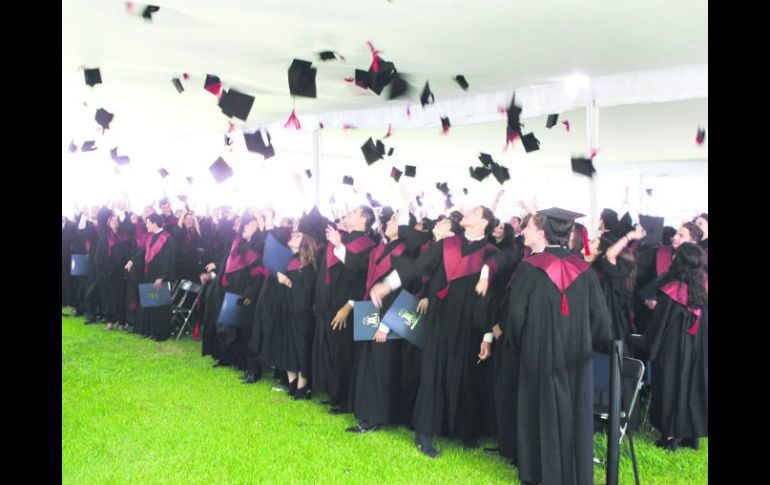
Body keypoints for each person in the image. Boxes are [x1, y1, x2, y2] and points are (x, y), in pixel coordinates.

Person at [369, 205, 500, 457]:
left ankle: (464, 430)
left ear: (484, 222)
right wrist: (387, 284)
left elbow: (491, 299)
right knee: (432, 374)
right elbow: (415, 267)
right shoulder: (447, 246)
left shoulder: (492, 254)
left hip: (470, 325)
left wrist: (486, 335)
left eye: (473, 213)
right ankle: (424, 434)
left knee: (466, 377)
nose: (466, 215)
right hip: (439, 321)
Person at [503, 208, 612, 485]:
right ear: (571, 233)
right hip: (577, 351)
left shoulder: (529, 267)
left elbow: (516, 313)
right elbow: (601, 319)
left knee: (537, 405)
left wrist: (515, 340)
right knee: (574, 408)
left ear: (545, 232)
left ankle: (536, 472)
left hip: (537, 348)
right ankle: (574, 473)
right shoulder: (585, 270)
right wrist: (592, 340)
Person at [347, 210, 419, 433]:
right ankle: (366, 412)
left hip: (390, 316)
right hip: (372, 309)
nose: (389, 223)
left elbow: (404, 292)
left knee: (382, 366)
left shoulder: (405, 253)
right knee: (369, 362)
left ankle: (374, 417)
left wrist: (386, 325)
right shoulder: (384, 247)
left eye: (395, 220)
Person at [312, 206, 377, 414]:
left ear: (363, 220)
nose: (348, 213)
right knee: (331, 350)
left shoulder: (368, 246)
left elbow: (361, 280)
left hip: (347, 306)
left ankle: (347, 401)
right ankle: (335, 394)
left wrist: (349, 306)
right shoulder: (342, 240)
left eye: (354, 212)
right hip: (328, 303)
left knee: (345, 353)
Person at [647, 242, 708, 451]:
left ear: (679, 262)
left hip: (673, 351)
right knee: (693, 387)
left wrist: (651, 348)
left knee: (671, 387)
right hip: (698, 351)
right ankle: (692, 435)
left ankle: (671, 437)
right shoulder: (702, 291)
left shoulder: (671, 291)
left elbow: (659, 326)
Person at [124, 213, 177, 341]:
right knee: (150, 303)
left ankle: (161, 333)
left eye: (147, 222)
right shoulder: (150, 237)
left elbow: (168, 260)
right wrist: (132, 261)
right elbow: (142, 251)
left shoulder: (167, 239)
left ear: (154, 223)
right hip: (149, 275)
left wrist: (162, 277)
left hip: (159, 277)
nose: (146, 225)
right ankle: (151, 331)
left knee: (159, 305)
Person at [96, 214, 134, 330]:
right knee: (108, 297)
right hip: (108, 272)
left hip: (120, 271)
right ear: (108, 222)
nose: (114, 221)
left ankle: (121, 322)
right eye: (111, 220)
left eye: (116, 220)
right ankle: (110, 322)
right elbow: (100, 255)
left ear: (119, 222)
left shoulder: (124, 236)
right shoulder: (104, 236)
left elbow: (128, 253)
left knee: (120, 296)